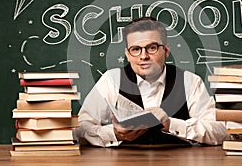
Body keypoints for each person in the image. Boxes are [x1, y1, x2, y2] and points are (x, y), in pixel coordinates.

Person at [74, 17, 227, 147]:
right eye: (135, 49)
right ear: (127, 54)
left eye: (152, 48)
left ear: (166, 51)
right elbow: (79, 129)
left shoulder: (190, 81)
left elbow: (220, 131)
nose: (144, 56)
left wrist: (170, 124)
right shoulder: (111, 80)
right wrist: (114, 134)